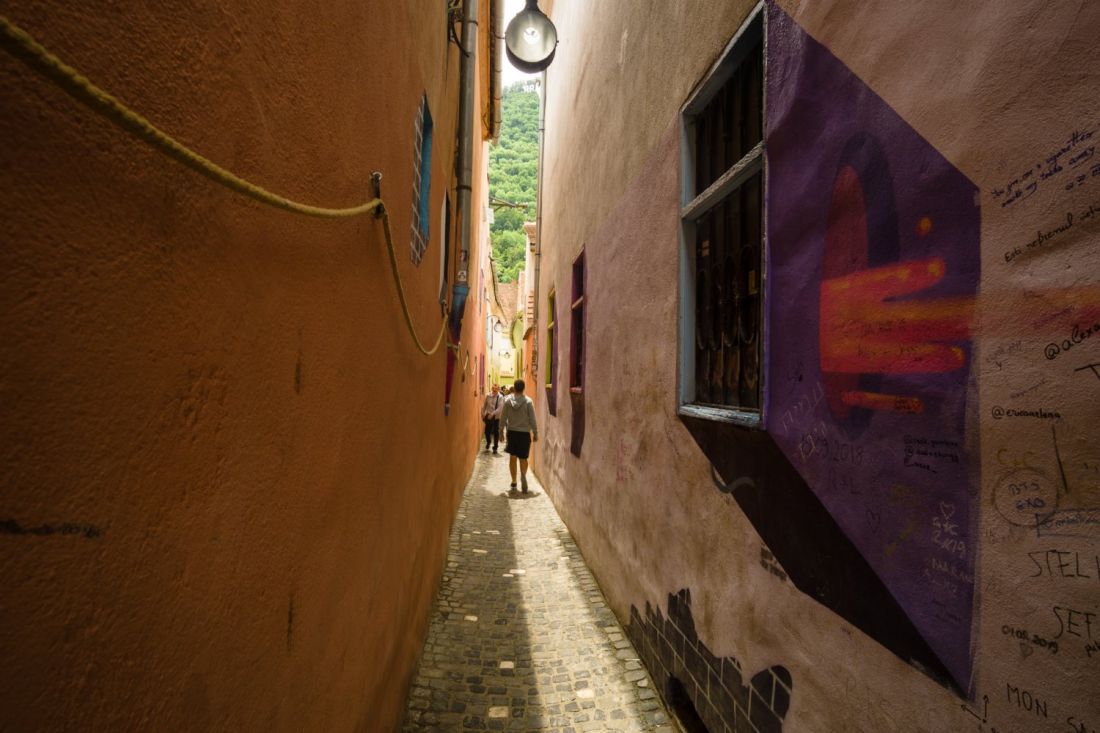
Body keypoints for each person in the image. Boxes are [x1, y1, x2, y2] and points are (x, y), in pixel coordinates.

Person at [500, 379, 538, 492]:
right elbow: (532, 419)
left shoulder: (507, 401)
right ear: (523, 388)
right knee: (523, 458)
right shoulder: (528, 402)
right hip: (524, 433)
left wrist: (500, 431)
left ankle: (514, 481)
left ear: (515, 388)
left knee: (512, 457)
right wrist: (535, 432)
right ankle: (523, 475)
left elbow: (503, 417)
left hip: (512, 432)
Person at [481, 384, 504, 452]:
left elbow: (500, 408)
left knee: (496, 432)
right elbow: (484, 405)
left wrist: (492, 414)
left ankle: (495, 447)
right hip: (488, 416)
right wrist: (482, 414)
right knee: (487, 432)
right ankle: (488, 442)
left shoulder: (500, 397)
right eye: (493, 388)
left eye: (496, 389)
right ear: (491, 388)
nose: (494, 390)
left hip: (496, 417)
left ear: (498, 389)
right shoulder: (488, 396)